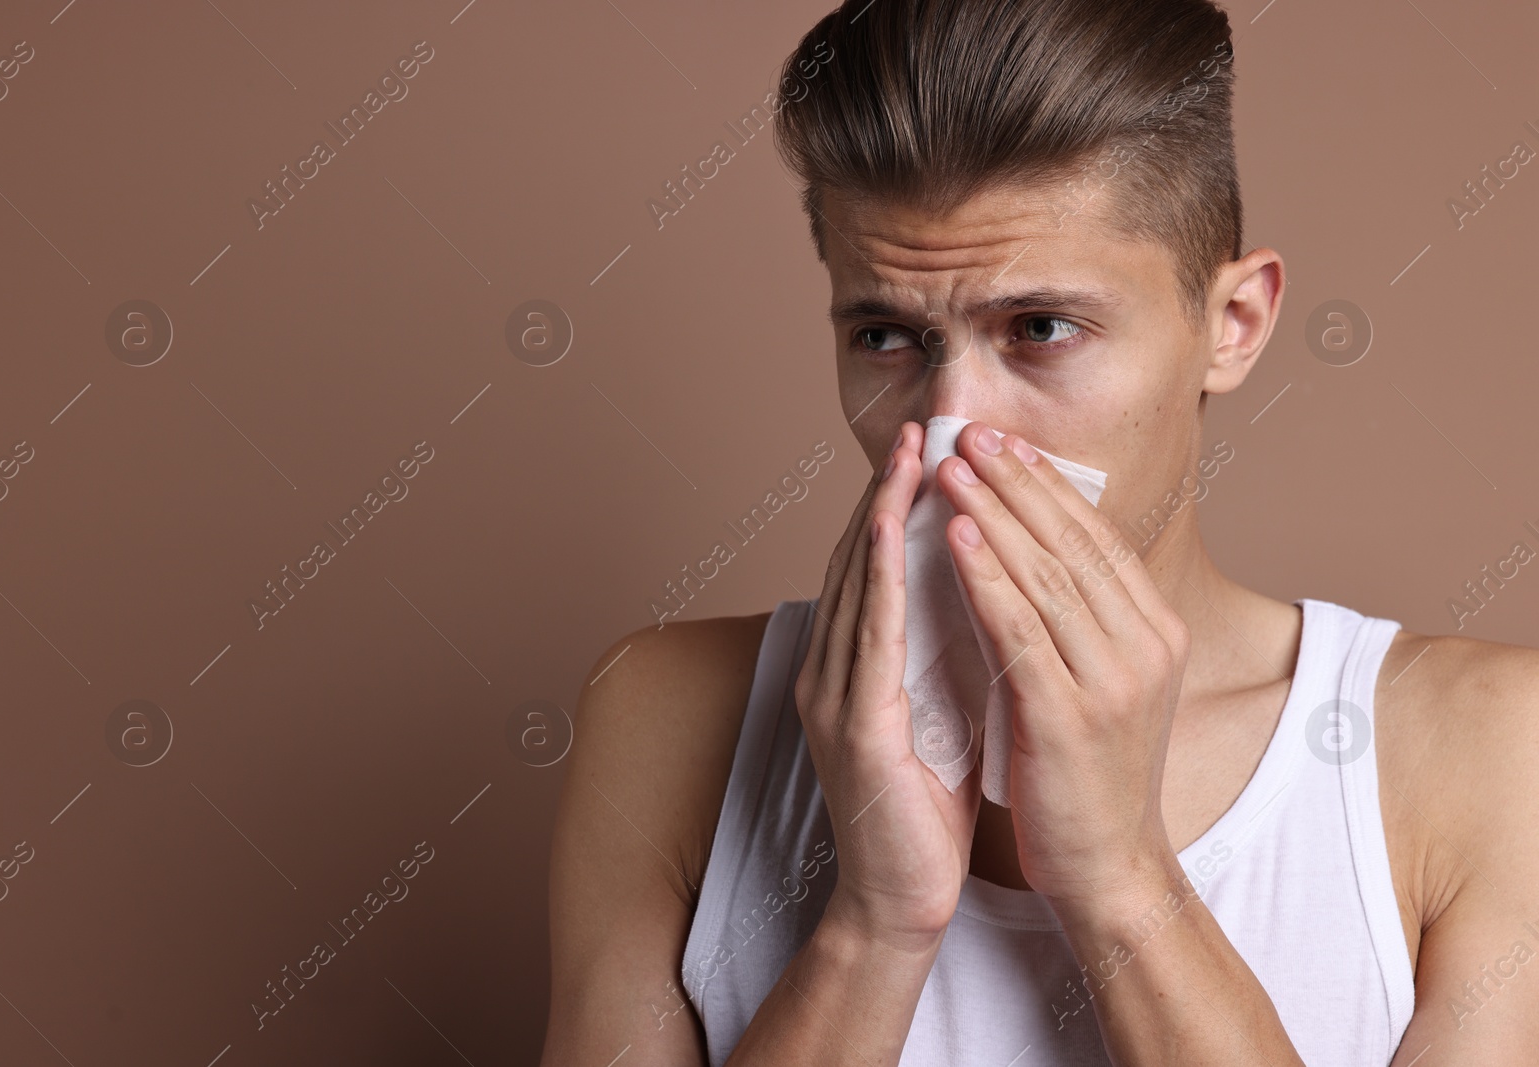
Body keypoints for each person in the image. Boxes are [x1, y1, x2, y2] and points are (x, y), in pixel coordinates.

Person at [540, 0, 1539, 1063]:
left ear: (1231, 326)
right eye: (887, 336)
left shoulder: (1475, 747)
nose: (949, 425)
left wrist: (1120, 877)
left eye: (1041, 328)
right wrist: (875, 923)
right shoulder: (666, 718)